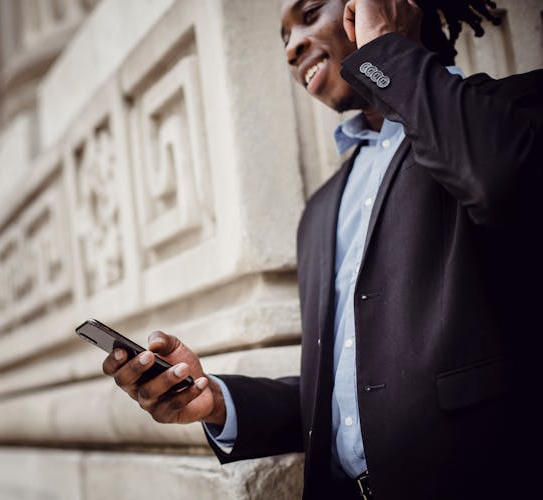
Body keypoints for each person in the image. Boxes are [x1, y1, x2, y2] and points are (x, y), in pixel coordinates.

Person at [102, 1, 543, 498]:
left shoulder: (513, 111)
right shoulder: (322, 210)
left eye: (310, 13)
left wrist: (383, 54)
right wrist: (217, 402)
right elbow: (350, 394)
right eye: (284, 37)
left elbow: (500, 183)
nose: (292, 48)